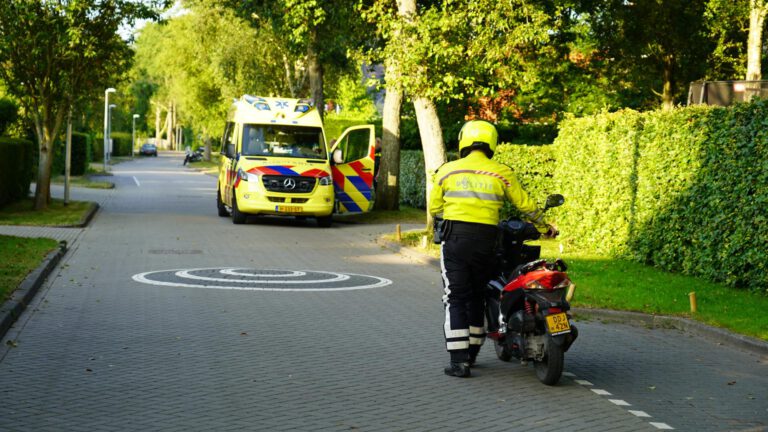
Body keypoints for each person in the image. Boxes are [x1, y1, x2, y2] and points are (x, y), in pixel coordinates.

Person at [429, 120, 557, 378]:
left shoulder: (446, 171)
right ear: (492, 143)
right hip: (487, 240)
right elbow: (525, 204)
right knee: (478, 293)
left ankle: (459, 362)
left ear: (464, 141)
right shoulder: (501, 172)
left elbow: (435, 208)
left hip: (455, 239)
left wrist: (455, 214)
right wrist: (544, 227)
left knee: (455, 297)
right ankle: (474, 352)